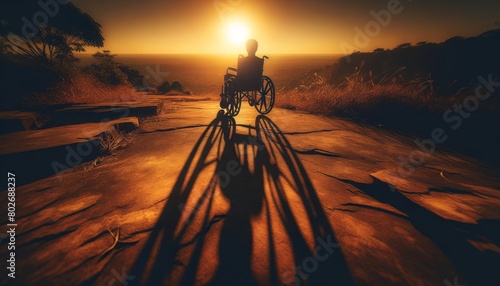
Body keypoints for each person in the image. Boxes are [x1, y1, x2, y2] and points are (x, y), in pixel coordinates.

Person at [220, 39, 263, 108]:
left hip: (242, 84)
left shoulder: (243, 60)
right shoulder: (259, 61)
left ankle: (226, 98)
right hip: (255, 83)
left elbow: (239, 71)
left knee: (227, 75)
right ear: (256, 48)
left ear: (247, 48)